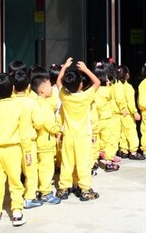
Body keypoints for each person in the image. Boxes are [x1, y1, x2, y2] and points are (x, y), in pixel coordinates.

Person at [0, 71, 32, 226]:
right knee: (15, 181)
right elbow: (24, 132)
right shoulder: (19, 108)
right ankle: (17, 212)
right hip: (13, 149)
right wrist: (28, 151)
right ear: (13, 88)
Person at [55, 57, 101, 201]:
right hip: (83, 136)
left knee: (67, 163)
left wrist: (64, 67)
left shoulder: (65, 96)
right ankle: (85, 189)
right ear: (81, 84)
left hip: (68, 136)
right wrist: (86, 70)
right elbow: (97, 82)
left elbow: (58, 82)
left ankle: (63, 188)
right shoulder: (86, 97)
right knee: (83, 164)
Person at [30, 75, 66, 203]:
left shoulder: (33, 102)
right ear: (42, 89)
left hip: (37, 142)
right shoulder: (44, 105)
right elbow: (50, 123)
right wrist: (58, 131)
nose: (52, 88)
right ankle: (45, 192)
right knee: (47, 168)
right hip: (46, 142)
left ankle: (37, 190)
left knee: (38, 168)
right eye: (49, 86)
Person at [115, 65, 144, 159]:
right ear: (127, 75)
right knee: (131, 132)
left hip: (119, 114)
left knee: (122, 133)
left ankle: (124, 150)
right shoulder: (129, 87)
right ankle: (133, 151)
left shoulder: (115, 85)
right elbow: (130, 102)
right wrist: (135, 112)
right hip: (127, 113)